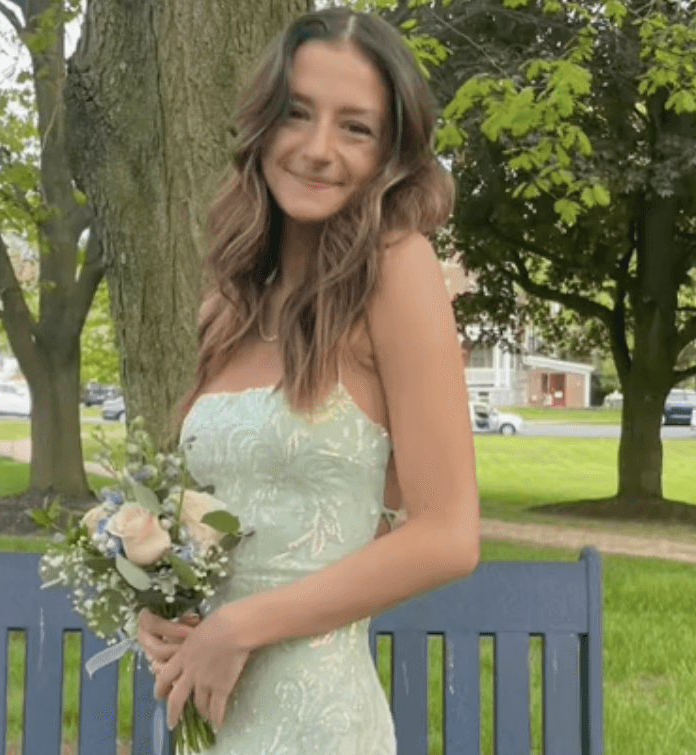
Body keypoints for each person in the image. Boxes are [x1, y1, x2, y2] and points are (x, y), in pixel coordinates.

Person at [136, 8, 480, 753]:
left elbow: (449, 534)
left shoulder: (397, 266)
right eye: (298, 114)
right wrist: (161, 600)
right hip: (212, 715)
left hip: (320, 722)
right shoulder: (230, 304)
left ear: (392, 152)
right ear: (264, 126)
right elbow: (219, 513)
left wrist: (239, 625)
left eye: (355, 128)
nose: (319, 149)